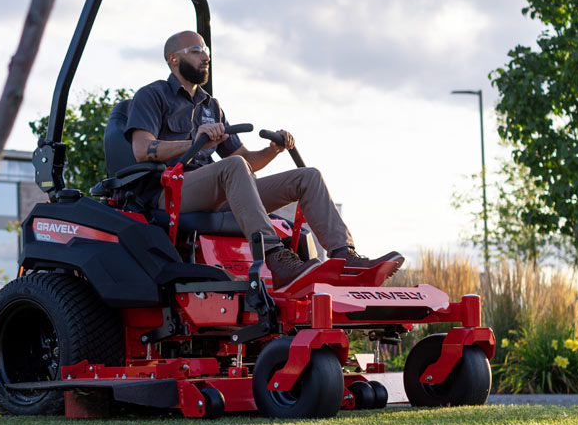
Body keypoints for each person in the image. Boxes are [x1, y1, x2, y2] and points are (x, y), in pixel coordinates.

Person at [124, 30, 403, 290]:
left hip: (218, 190)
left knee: (308, 176)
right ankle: (276, 257)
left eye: (206, 50)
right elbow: (141, 149)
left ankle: (345, 257)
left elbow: (245, 160)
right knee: (233, 167)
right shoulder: (153, 95)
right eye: (196, 50)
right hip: (172, 191)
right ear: (174, 59)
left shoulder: (212, 105)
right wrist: (196, 142)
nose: (206, 57)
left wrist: (273, 150)